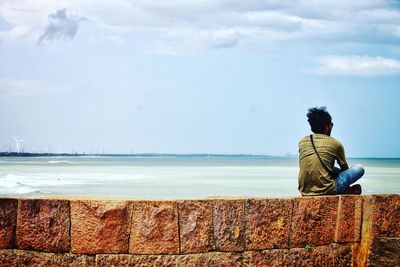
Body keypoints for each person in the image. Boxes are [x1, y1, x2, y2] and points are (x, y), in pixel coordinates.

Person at [298, 106, 365, 196]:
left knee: (322, 166)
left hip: (304, 190)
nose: (332, 126)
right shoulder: (335, 143)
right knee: (359, 168)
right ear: (326, 126)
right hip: (326, 189)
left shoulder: (302, 142)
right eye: (331, 124)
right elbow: (345, 169)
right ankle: (344, 190)